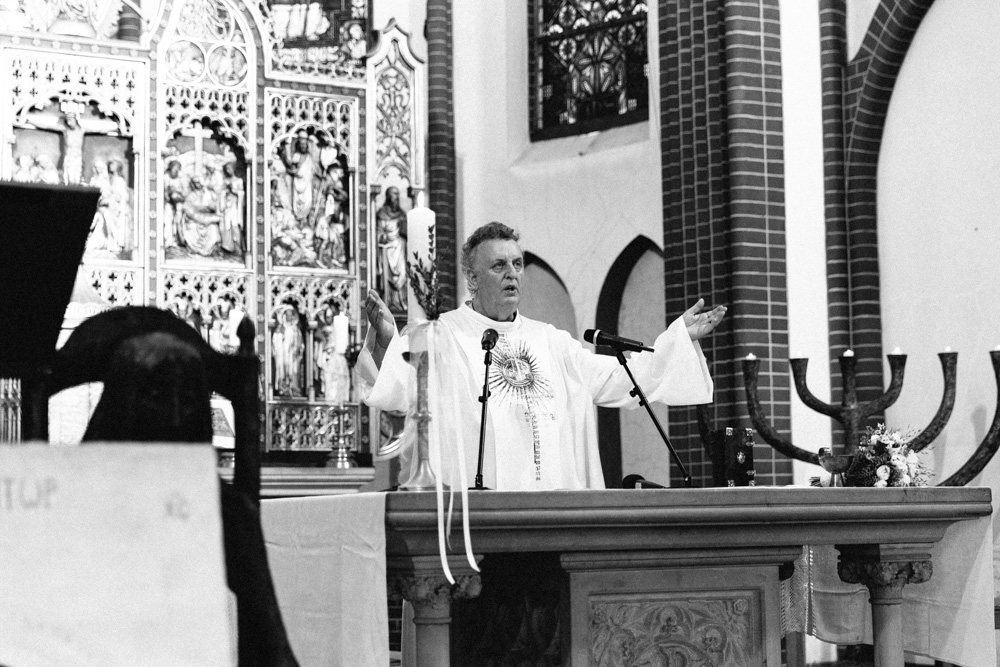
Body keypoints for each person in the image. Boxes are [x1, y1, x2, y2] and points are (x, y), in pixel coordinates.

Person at [359, 222, 726, 490]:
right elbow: (400, 393)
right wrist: (388, 340)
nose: (512, 274)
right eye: (498, 265)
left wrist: (676, 340)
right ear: (471, 278)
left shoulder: (550, 342)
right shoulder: (440, 335)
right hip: (476, 519)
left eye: (517, 264)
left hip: (551, 513)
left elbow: (621, 378)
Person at [375, 186, 408, 312]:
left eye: (398, 194)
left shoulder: (401, 214)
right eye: (394, 194)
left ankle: (401, 301)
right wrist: (382, 236)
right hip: (386, 249)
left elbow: (406, 232)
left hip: (399, 247)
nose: (397, 197)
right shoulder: (381, 213)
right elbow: (378, 231)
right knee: (387, 276)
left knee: (401, 274)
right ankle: (388, 300)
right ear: (388, 196)